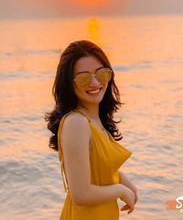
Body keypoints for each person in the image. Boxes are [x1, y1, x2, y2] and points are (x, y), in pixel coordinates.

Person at [45, 40, 138, 219]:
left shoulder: (94, 119)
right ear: (69, 83)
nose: (95, 82)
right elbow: (80, 194)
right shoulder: (76, 123)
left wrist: (124, 182)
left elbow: (98, 167)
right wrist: (120, 190)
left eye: (101, 73)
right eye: (84, 77)